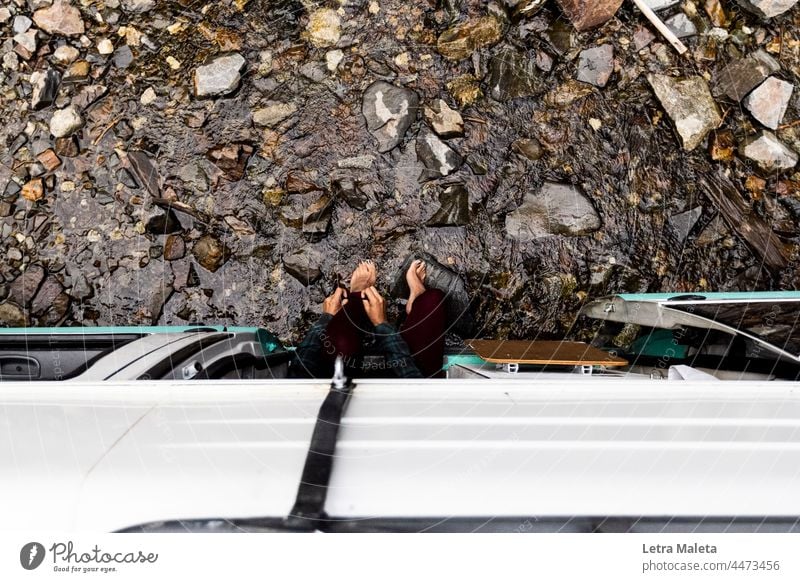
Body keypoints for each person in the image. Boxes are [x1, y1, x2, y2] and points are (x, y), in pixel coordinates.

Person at [292, 259, 447, 379]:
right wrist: (381, 324)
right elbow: (413, 382)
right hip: (407, 389)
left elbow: (303, 364)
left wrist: (327, 317)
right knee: (432, 300)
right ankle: (416, 300)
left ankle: (358, 297)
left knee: (341, 344)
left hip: (331, 385)